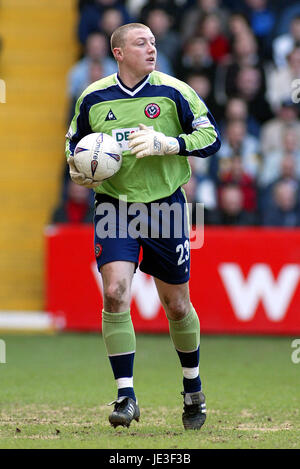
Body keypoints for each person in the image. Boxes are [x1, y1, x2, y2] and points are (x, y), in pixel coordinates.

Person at [66, 22, 221, 430]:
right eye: (141, 43)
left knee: (177, 305)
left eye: (153, 42)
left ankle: (192, 387)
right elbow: (73, 145)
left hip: (165, 207)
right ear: (119, 52)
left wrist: (169, 143)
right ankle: (126, 395)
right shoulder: (93, 97)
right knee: (115, 293)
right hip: (114, 207)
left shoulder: (174, 91)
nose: (151, 48)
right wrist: (79, 170)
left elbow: (212, 136)